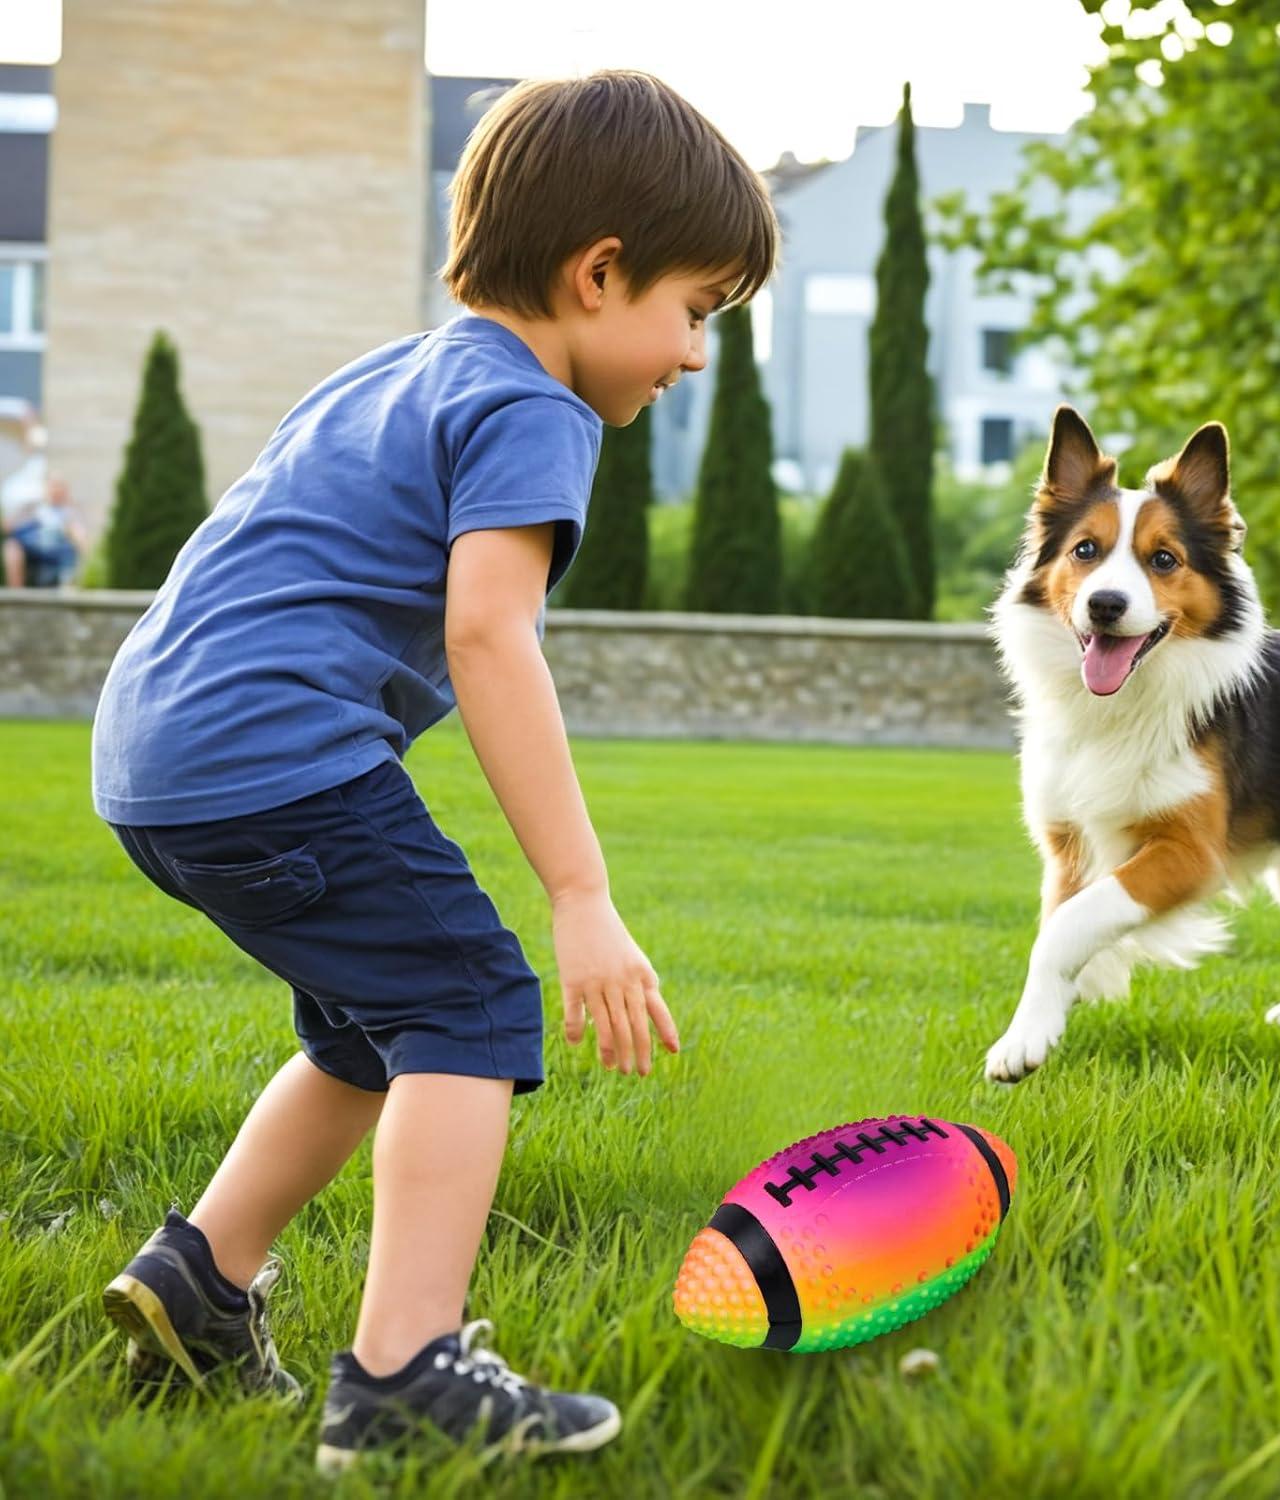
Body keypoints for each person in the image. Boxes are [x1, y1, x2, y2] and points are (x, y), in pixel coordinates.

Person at [90, 69, 779, 1474]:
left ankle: (200, 1284)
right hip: (272, 756)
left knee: (368, 1029)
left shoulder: (398, 368)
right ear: (599, 274)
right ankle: (407, 1372)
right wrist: (580, 897)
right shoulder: (535, 407)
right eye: (696, 312)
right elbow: (489, 635)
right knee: (470, 1000)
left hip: (160, 754)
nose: (697, 354)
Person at [4, 474, 88, 588]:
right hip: (34, 548)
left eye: (59, 486)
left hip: (60, 549)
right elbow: (12, 527)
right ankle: (16, 593)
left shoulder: (70, 511)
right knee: (11, 546)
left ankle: (74, 583)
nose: (56, 490)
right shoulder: (34, 508)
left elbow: (79, 533)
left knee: (77, 536)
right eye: (53, 486)